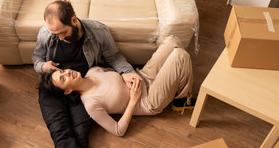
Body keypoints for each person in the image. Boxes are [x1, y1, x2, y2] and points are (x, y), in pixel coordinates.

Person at [33, 0, 139, 148]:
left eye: (61, 33)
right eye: (55, 34)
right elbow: (36, 60)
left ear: (73, 20)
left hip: (80, 88)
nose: (58, 38)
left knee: (81, 133)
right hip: (52, 89)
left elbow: (114, 57)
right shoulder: (46, 33)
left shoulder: (98, 32)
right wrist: (44, 67)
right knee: (60, 131)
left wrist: (127, 73)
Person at [39, 35, 194, 137]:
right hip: (149, 99)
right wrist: (133, 101)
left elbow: (117, 74)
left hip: (144, 75)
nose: (67, 73)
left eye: (64, 71)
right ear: (67, 90)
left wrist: (123, 74)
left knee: (172, 40)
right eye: (63, 79)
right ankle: (182, 100)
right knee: (179, 56)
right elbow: (118, 130)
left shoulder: (93, 70)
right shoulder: (91, 104)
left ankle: (178, 83)